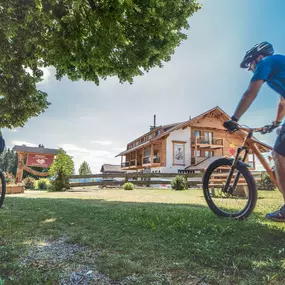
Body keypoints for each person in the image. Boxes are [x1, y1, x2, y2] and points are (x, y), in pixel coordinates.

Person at [223, 41, 285, 221]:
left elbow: (250, 92)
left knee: (278, 154)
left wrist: (234, 119)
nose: (251, 69)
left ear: (258, 58)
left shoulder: (266, 63)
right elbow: (283, 101)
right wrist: (275, 122)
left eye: (250, 65)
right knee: (280, 135)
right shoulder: (278, 68)